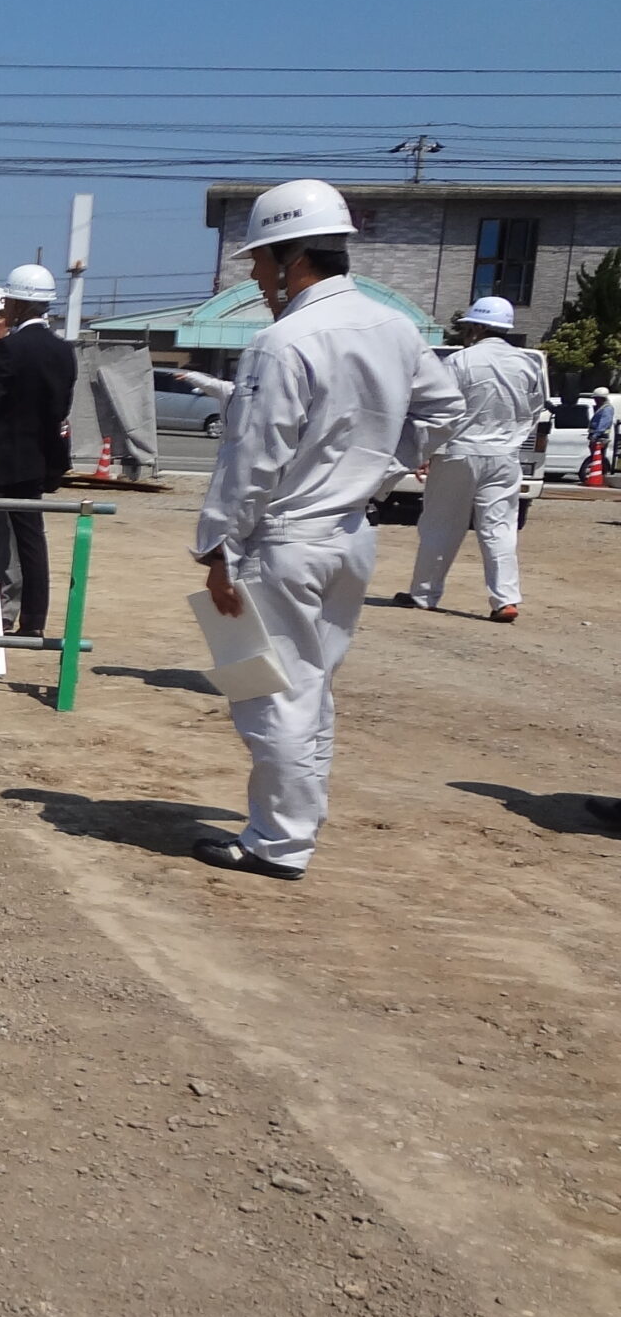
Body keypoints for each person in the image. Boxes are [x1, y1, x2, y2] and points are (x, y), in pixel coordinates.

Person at [189, 179, 465, 881]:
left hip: (285, 541)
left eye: (258, 263)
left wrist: (218, 548)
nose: (255, 278)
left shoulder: (284, 343)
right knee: (312, 688)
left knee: (271, 692)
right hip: (350, 535)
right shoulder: (394, 327)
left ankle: (277, 842)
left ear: (291, 257)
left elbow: (251, 460)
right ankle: (292, 828)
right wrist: (381, 471)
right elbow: (445, 410)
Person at [399, 294, 544, 622]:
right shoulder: (530, 363)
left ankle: (424, 594)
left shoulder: (460, 361)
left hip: (458, 452)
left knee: (440, 525)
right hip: (505, 455)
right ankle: (505, 600)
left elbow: (442, 411)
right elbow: (535, 410)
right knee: (500, 527)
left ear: (477, 327)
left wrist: (426, 452)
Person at [0, 262, 73, 637]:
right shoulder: (62, 351)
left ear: (19, 304)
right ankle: (34, 622)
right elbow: (59, 411)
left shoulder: (11, 348)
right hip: (35, 461)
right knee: (31, 544)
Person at [589, 387, 614, 469]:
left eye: (596, 398)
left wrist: (595, 435)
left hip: (600, 438)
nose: (595, 400)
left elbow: (604, 423)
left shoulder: (607, 409)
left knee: (599, 458)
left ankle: (600, 474)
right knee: (596, 457)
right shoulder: (601, 408)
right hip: (598, 437)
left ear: (601, 398)